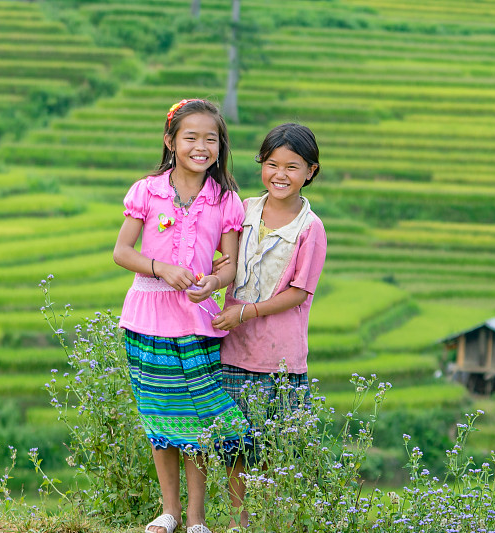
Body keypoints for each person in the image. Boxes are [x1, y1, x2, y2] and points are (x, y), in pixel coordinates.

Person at [113, 99, 248, 533]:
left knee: (198, 420)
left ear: (220, 147)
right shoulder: (146, 190)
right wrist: (160, 268)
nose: (201, 146)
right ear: (171, 141)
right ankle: (170, 511)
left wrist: (213, 282)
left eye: (211, 139)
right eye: (191, 137)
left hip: (197, 319)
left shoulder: (226, 199)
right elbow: (122, 252)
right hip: (147, 318)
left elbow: (229, 262)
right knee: (160, 414)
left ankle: (196, 518)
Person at [212, 123, 327, 529]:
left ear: (310, 171)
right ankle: (238, 520)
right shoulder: (245, 209)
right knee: (236, 447)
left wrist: (246, 312)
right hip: (234, 350)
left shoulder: (310, 229)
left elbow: (299, 292)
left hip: (279, 357)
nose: (280, 174)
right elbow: (226, 260)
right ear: (261, 165)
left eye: (292, 167)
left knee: (277, 448)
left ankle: (274, 519)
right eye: (272, 164)